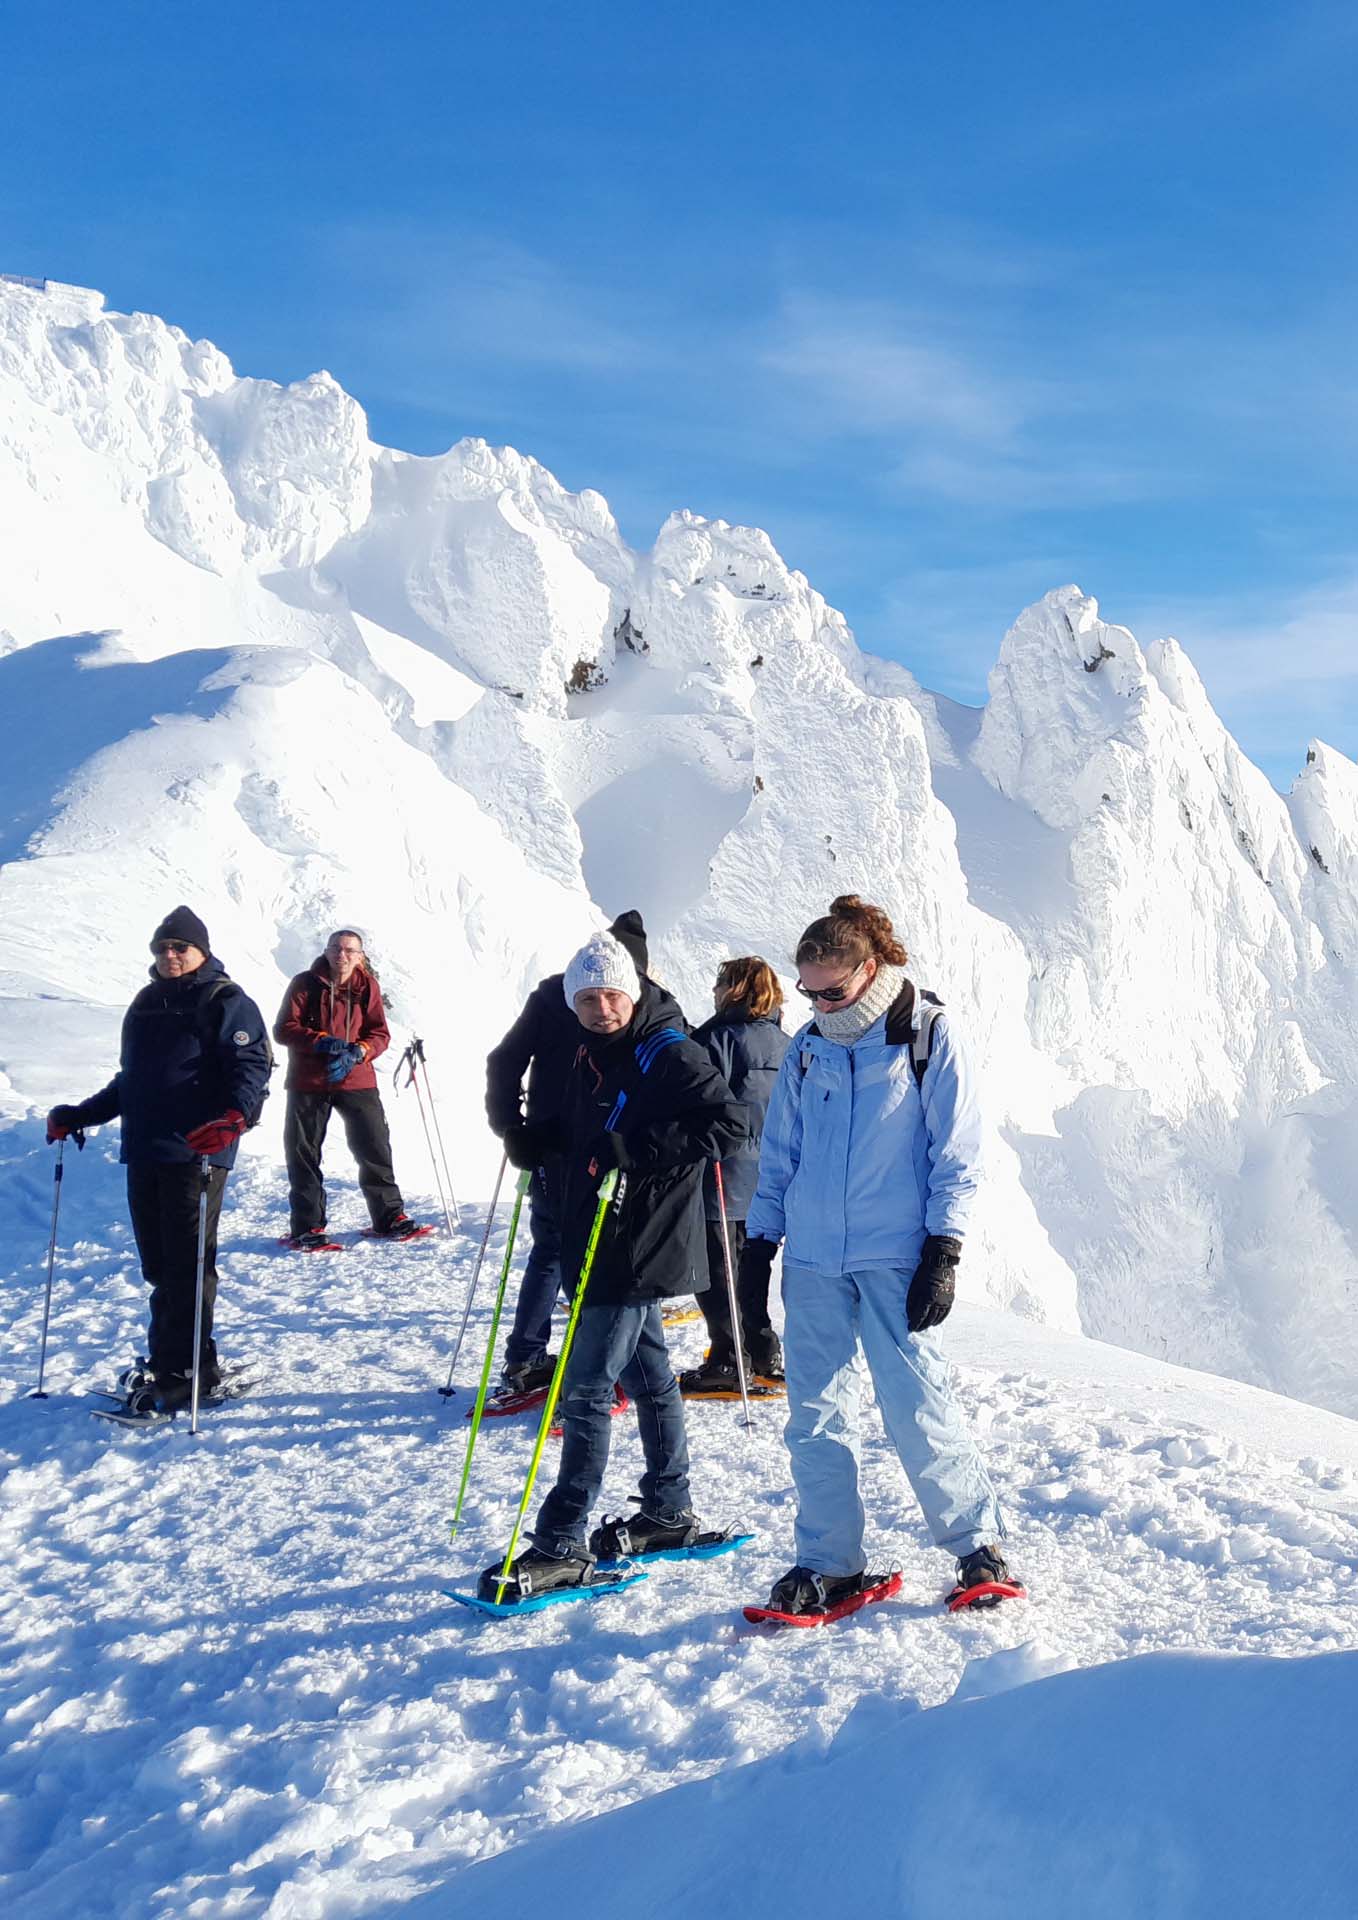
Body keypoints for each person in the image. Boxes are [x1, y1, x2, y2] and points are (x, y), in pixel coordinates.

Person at [744, 894, 1022, 1615]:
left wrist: (945, 1249)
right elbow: (780, 1156)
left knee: (914, 1403)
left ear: (869, 970)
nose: (817, 1003)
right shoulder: (808, 1048)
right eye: (806, 990)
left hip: (893, 1256)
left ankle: (977, 1548)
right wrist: (758, 1243)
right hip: (812, 1260)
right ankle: (828, 1562)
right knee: (813, 1415)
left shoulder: (925, 1033)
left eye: (830, 990)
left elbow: (956, 1153)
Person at [478, 929, 746, 1600]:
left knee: (587, 1391)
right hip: (602, 1231)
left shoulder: (666, 1048)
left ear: (632, 993)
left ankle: (561, 1543)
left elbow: (727, 1122)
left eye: (611, 996)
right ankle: (668, 1510)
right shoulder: (590, 1049)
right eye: (589, 999)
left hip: (637, 1239)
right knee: (651, 1378)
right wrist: (540, 1138)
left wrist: (639, 1149)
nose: (601, 1009)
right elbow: (590, 1130)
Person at [45, 906, 272, 1414]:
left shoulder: (225, 999)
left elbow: (251, 1065)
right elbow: (133, 1081)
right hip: (145, 1148)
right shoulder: (146, 1002)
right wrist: (80, 1115)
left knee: (187, 1263)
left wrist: (237, 1116)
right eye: (162, 948)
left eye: (180, 948)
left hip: (199, 1152)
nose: (169, 956)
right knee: (158, 1264)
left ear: (202, 951)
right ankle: (180, 1358)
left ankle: (184, 1371)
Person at [484, 910, 656, 1395]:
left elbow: (504, 1060)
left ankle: (527, 1358)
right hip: (593, 1149)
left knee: (554, 1249)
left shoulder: (554, 995)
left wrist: (513, 1127)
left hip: (561, 1143)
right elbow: (504, 1061)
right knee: (597, 1256)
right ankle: (585, 1374)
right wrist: (512, 1129)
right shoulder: (632, 1004)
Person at [679, 956, 791, 1398]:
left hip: (720, 1175)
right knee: (750, 1272)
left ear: (733, 990)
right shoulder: (788, 1044)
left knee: (714, 1273)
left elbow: (701, 1106)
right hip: (769, 1178)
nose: (713, 991)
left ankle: (729, 1358)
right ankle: (763, 1351)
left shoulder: (715, 1042)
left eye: (719, 983)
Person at [274, 929, 423, 1247]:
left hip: (356, 1078)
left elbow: (380, 1032)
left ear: (360, 956)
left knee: (374, 1146)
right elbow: (285, 1028)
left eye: (349, 950)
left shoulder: (366, 985)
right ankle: (307, 1226)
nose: (342, 955)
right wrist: (321, 1042)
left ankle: (389, 1217)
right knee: (303, 1152)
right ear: (327, 952)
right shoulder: (304, 983)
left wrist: (361, 1050)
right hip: (309, 1081)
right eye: (336, 949)